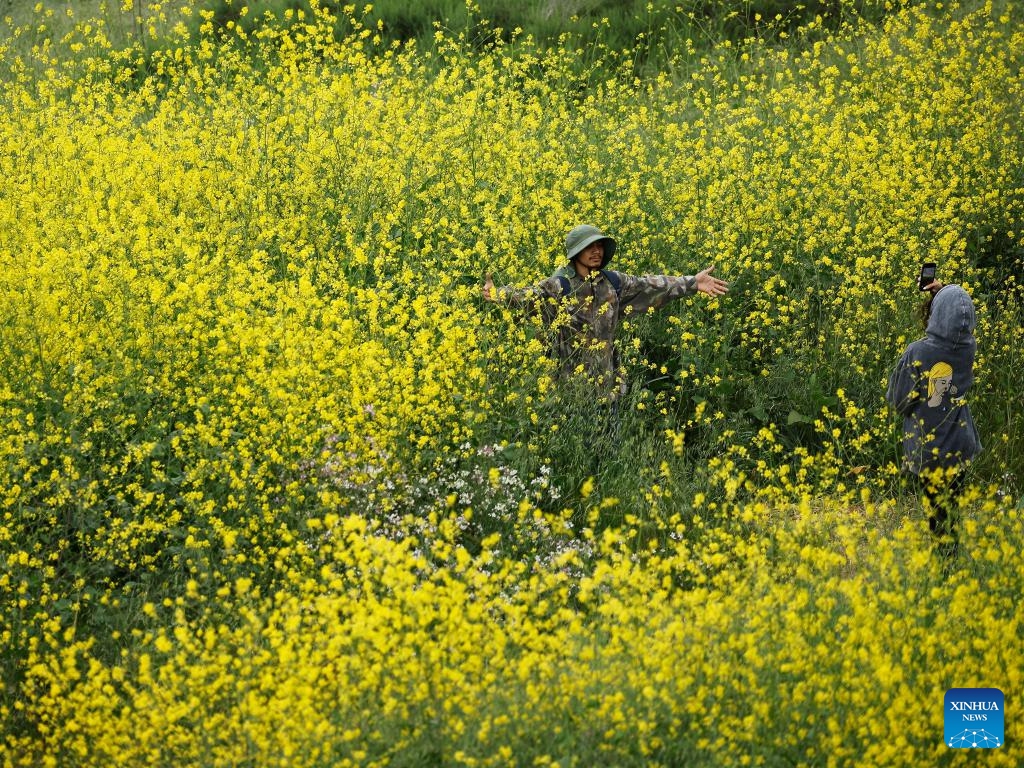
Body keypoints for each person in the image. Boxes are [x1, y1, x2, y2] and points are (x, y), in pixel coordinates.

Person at [482, 224, 729, 400]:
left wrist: (693, 283)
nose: (596, 251)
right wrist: (497, 294)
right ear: (575, 254)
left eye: (600, 246)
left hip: (609, 388)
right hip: (568, 392)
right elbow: (528, 297)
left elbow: (650, 285)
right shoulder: (559, 285)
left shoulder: (613, 282)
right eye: (589, 247)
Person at [886, 281, 982, 562]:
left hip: (931, 449)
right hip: (961, 445)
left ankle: (945, 566)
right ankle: (950, 559)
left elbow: (899, 400)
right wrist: (942, 292)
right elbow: (954, 323)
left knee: (937, 512)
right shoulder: (968, 348)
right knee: (950, 506)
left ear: (936, 314)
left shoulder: (918, 352)